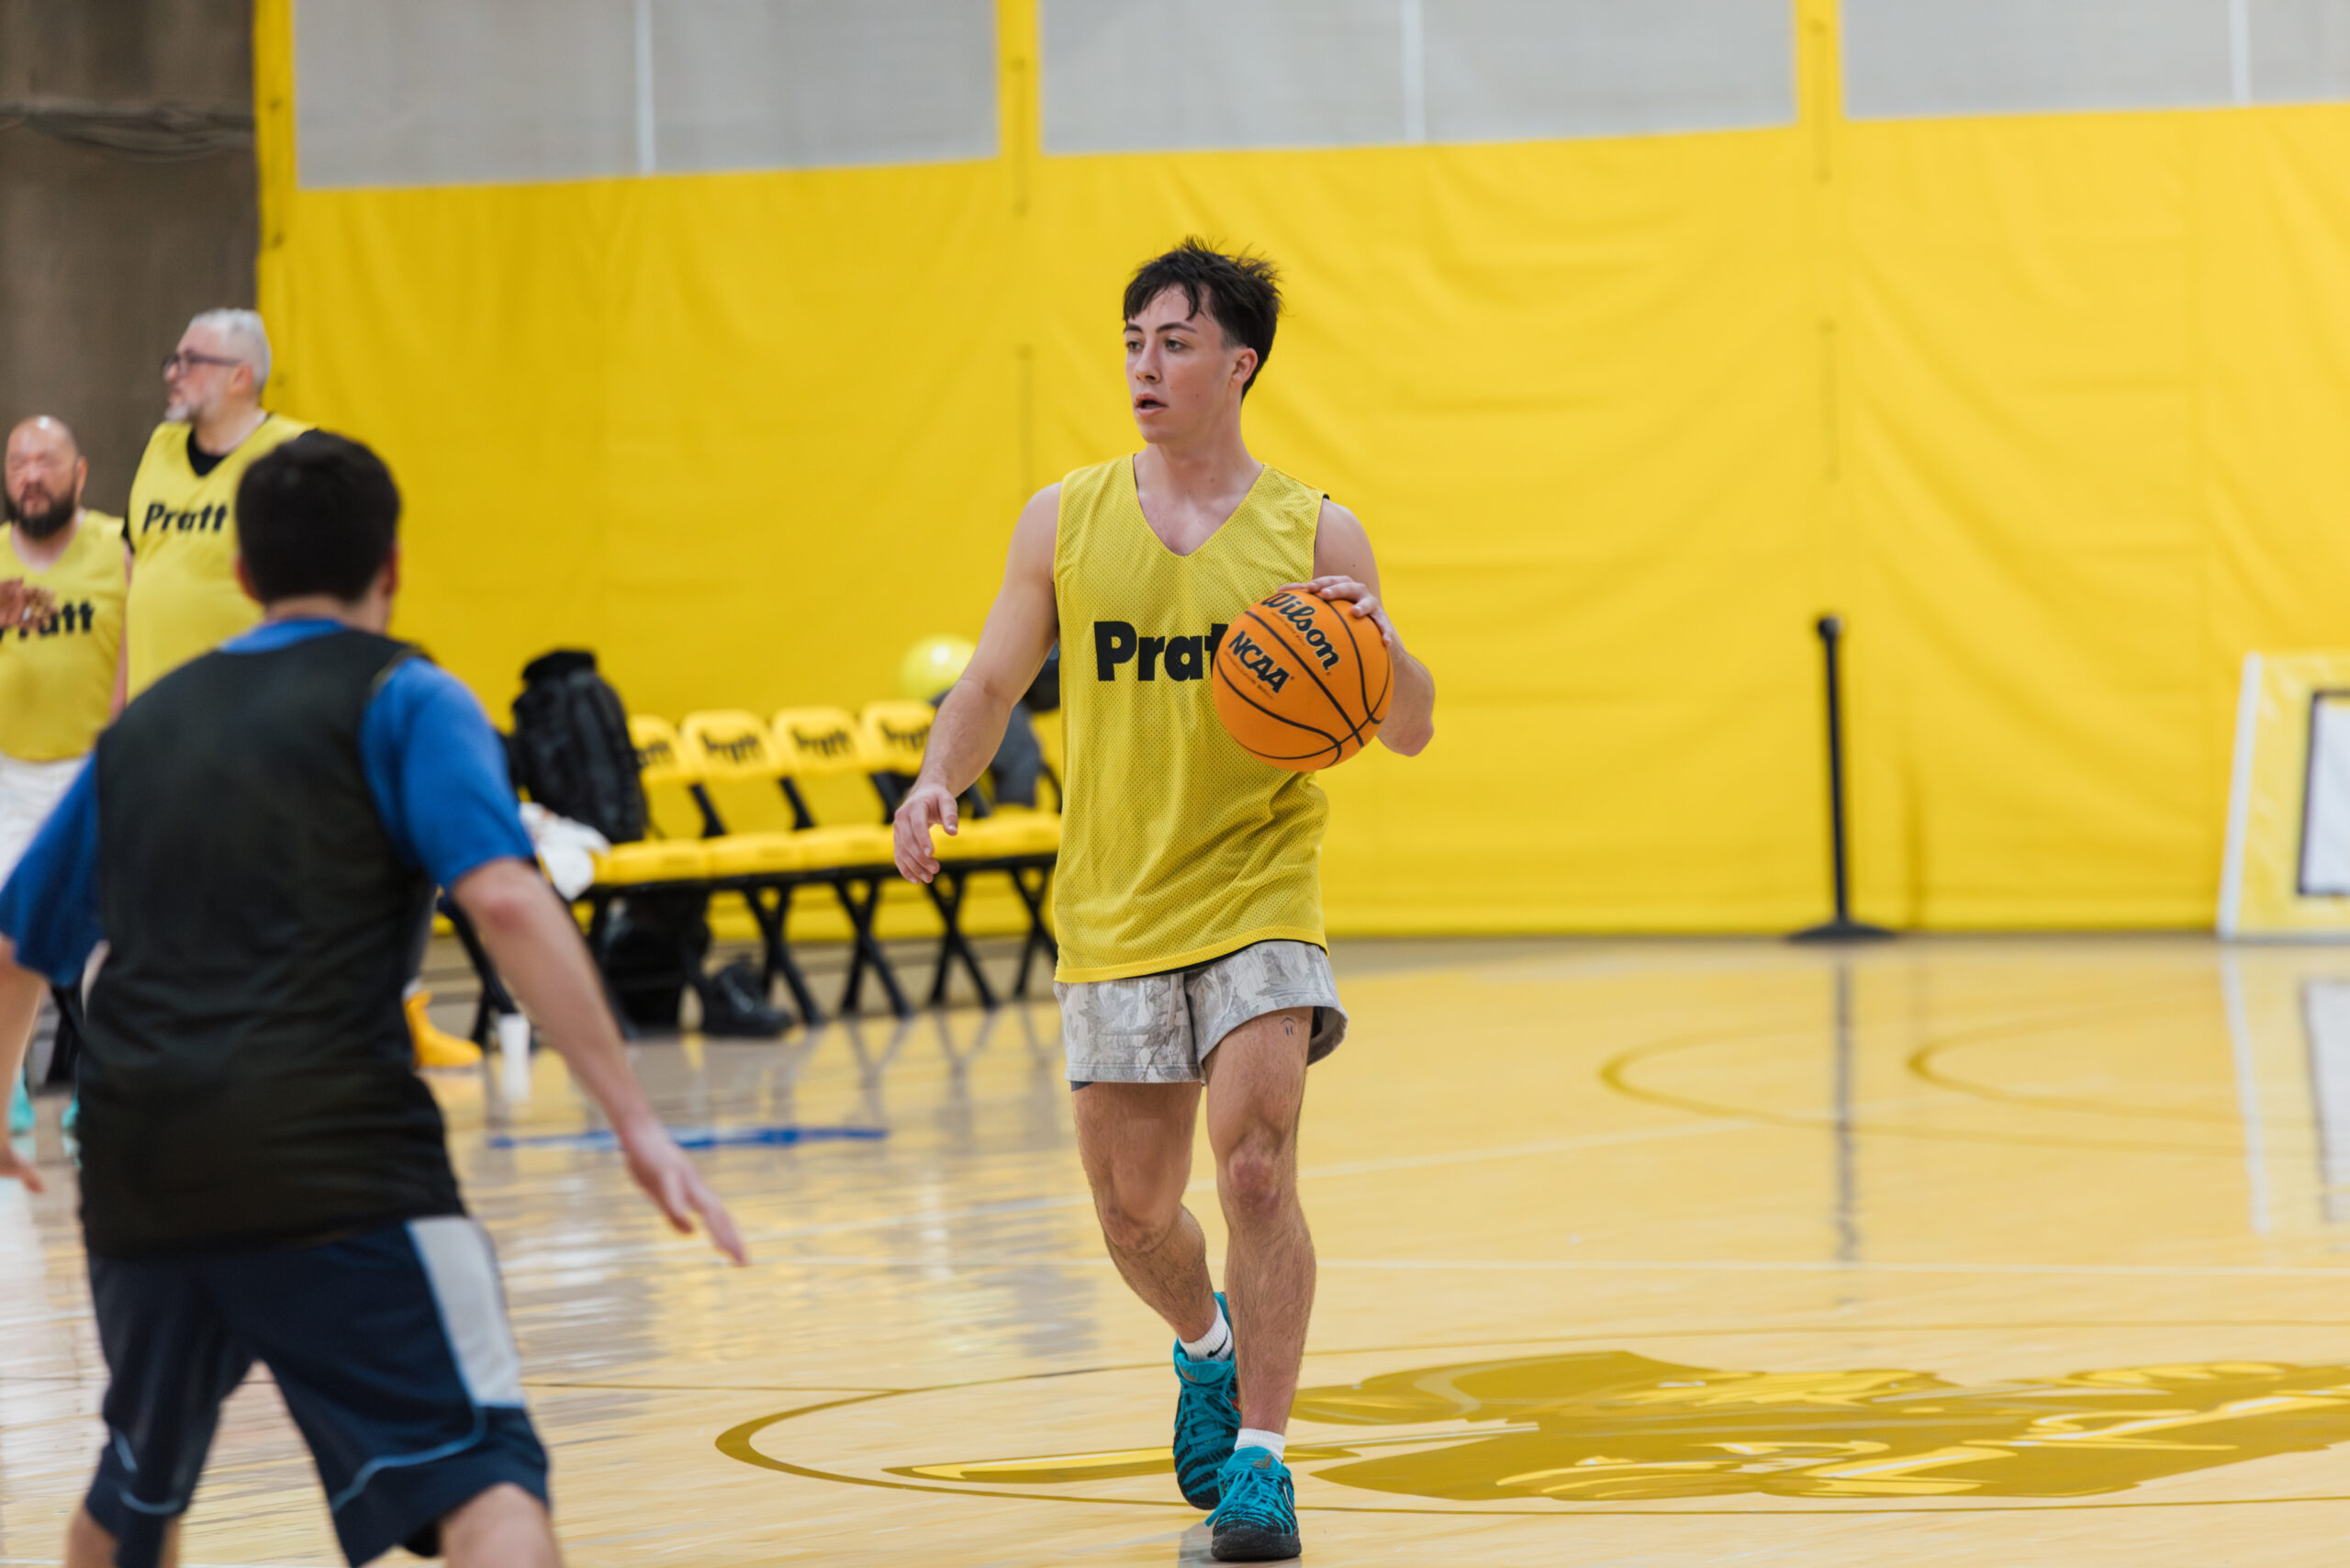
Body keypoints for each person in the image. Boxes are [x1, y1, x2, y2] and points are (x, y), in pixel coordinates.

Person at [0, 431, 744, 1568]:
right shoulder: (407, 696)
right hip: (335, 1154)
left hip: (141, 1166)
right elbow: (502, 897)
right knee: (487, 1478)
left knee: (135, 1487)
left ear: (241, 574)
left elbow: (18, 942)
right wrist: (633, 1118)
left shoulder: (139, 730)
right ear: (392, 563)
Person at [891, 240, 1437, 1562]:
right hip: (1118, 905)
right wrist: (933, 780)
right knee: (1136, 1213)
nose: (1145, 364)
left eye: (1175, 342)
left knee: (1253, 1168)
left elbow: (1411, 725)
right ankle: (1206, 1345)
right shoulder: (1064, 518)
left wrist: (1373, 638)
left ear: (1237, 364)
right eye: (1134, 339)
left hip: (1261, 889)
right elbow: (988, 684)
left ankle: (1264, 1462)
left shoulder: (1315, 531)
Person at [128, 308, 476, 1066]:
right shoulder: (158, 450)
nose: (172, 371)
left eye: (191, 359)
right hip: (163, 725)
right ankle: (132, 1071)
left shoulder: (298, 458)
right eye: (173, 355)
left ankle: (377, 1018)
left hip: (255, 725)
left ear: (241, 375)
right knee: (144, 918)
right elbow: (139, 579)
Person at [0, 417, 128, 1134]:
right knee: (4, 940)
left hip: (92, 770)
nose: (31, 474)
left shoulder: (119, 549)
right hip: (9, 773)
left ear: (78, 475)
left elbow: (150, 636)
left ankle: (102, 1089)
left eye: (46, 460)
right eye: (18, 461)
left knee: (108, 944)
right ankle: (7, 1088)